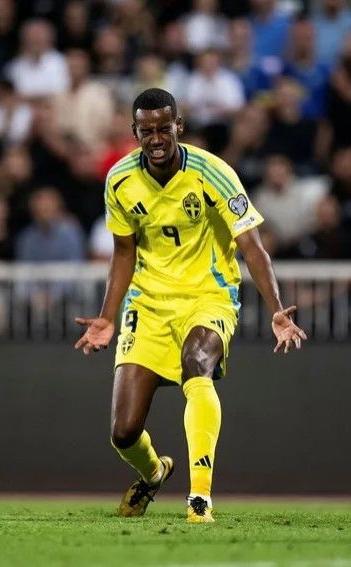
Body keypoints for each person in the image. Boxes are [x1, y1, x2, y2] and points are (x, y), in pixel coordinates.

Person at [74, 88, 307, 523]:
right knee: (123, 432)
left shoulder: (213, 173)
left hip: (208, 296)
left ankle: (200, 497)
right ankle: (154, 473)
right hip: (149, 303)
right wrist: (107, 316)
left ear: (178, 126)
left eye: (164, 128)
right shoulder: (119, 180)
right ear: (135, 132)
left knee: (196, 367)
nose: (156, 138)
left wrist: (276, 307)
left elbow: (252, 247)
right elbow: (123, 252)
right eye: (147, 131)